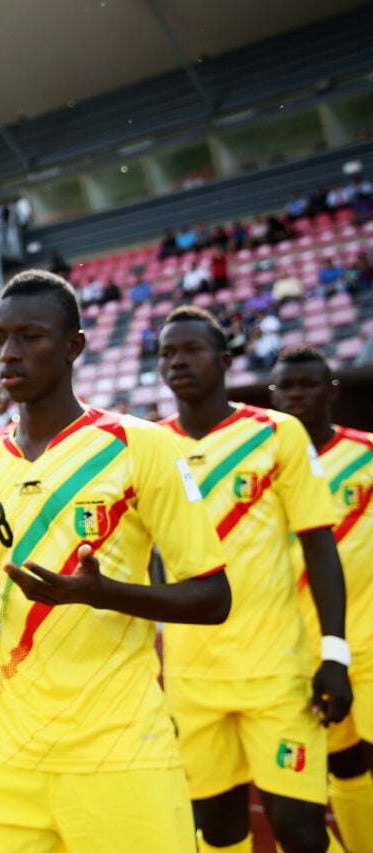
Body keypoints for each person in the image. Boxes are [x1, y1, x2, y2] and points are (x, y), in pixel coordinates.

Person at [0, 270, 231, 852]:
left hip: (119, 747)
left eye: (30, 337)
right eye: (0, 339)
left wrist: (101, 592)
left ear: (73, 346)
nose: (8, 353)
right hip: (7, 746)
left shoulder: (141, 445)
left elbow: (213, 597)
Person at [156, 306, 352, 853]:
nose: (177, 362)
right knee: (219, 833)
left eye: (191, 350)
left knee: (299, 830)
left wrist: (334, 653)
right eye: (167, 353)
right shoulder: (149, 445)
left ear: (224, 360)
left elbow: (319, 545)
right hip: (191, 680)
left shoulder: (276, 433)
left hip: (277, 674)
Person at [269, 347, 373, 851]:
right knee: (342, 765)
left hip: (369, 641)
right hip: (299, 651)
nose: (296, 395)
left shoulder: (366, 452)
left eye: (307, 385)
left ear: (331, 391)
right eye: (285, 387)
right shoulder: (263, 466)